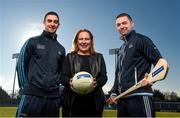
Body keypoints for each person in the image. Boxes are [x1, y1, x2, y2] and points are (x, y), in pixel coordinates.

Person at [107, 13, 167, 117]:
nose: (121, 26)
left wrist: (150, 80)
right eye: (118, 24)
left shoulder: (142, 40)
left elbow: (160, 64)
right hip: (122, 99)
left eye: (124, 23)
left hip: (140, 96)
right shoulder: (121, 49)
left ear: (132, 24)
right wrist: (114, 93)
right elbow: (118, 75)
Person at [16, 11, 65, 117]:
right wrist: (27, 88)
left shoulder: (61, 49)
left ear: (59, 25)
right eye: (49, 21)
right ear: (44, 23)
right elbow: (21, 64)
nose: (52, 24)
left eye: (55, 22)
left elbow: (60, 72)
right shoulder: (32, 41)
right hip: (32, 96)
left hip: (53, 100)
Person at [60, 28, 107, 117]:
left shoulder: (99, 57)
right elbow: (62, 77)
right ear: (76, 41)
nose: (84, 42)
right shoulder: (69, 57)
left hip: (94, 103)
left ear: (91, 41)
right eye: (81, 39)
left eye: (87, 39)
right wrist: (70, 82)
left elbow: (104, 77)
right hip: (72, 103)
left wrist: (96, 83)